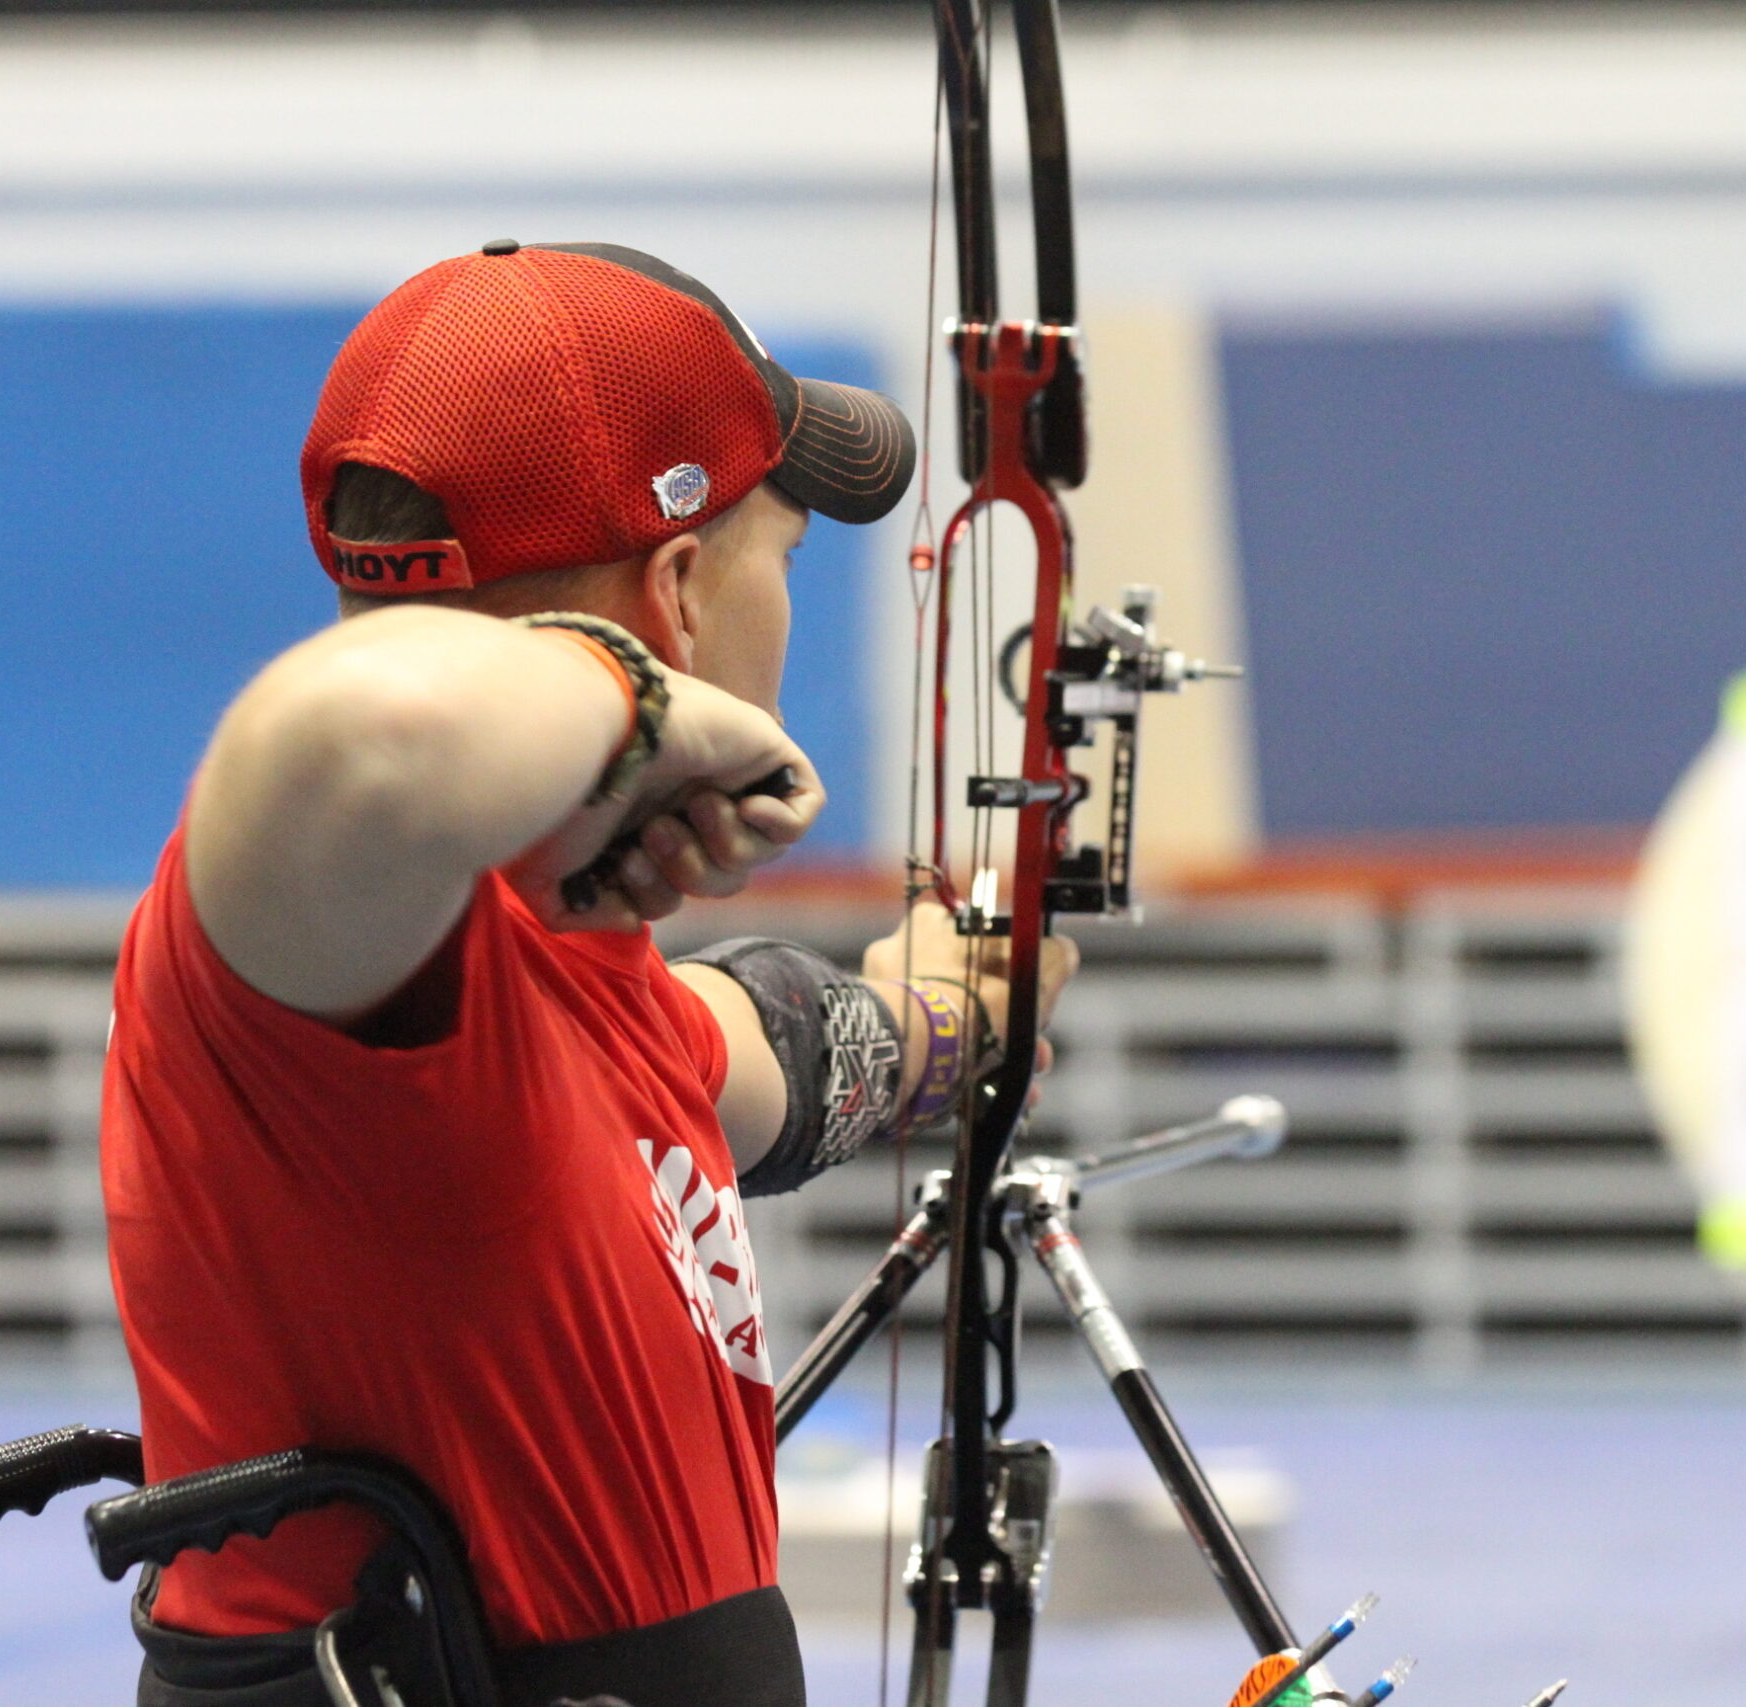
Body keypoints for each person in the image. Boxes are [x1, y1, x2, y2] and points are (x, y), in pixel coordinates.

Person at [99, 241, 1079, 1707]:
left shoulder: (570, 962)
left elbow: (765, 1056)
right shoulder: (315, 936)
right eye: (783, 559)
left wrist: (955, 1017)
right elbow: (359, 738)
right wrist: (639, 700)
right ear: (682, 589)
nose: (786, 613)